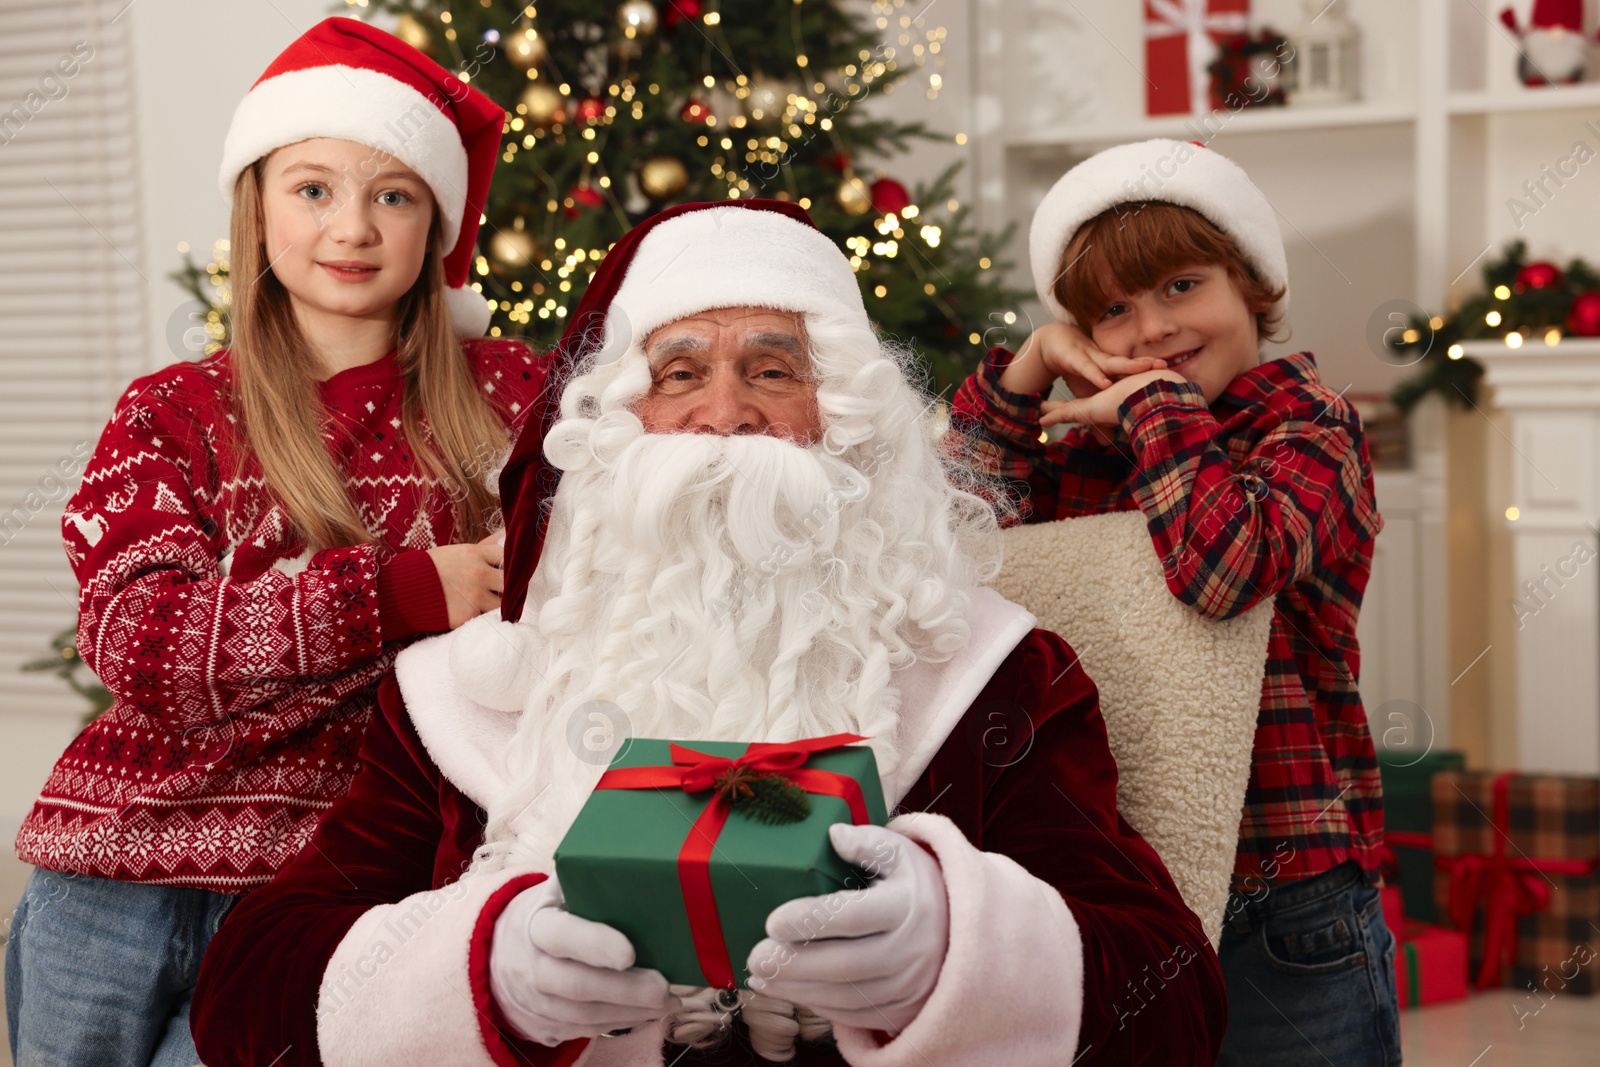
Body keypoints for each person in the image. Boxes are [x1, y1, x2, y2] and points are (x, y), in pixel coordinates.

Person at [189, 199, 1227, 1066]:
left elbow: (1174, 1004)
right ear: (614, 425)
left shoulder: (993, 673)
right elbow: (245, 1000)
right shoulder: (462, 696)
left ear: (849, 421)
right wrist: (482, 967)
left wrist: (954, 948)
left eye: (773, 370)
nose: (724, 412)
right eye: (677, 373)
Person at [6, 18, 540, 1067]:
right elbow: (143, 646)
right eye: (312, 188)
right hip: (115, 873)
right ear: (255, 203)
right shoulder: (173, 411)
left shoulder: (509, 397)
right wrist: (398, 594)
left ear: (436, 219)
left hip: (331, 892)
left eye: (393, 192)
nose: (352, 226)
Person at [950, 138, 1396, 1066]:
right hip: (1123, 880)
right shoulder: (1085, 448)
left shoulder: (1312, 426)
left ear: (1251, 289)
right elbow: (950, 533)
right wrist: (1030, 365)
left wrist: (1154, 407)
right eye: (1113, 310)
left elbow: (1225, 570)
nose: (1151, 329)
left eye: (1181, 286)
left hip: (1285, 897)